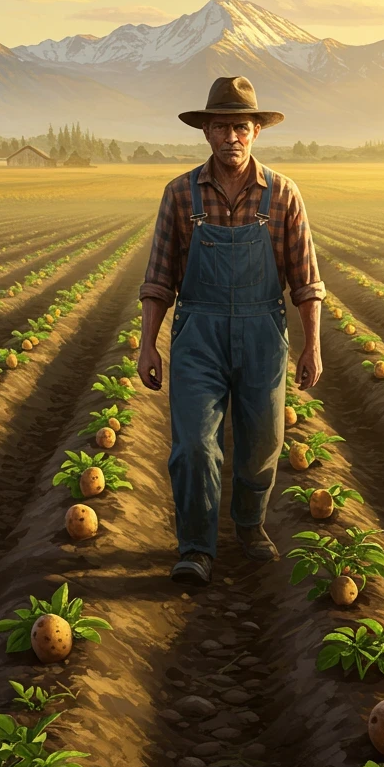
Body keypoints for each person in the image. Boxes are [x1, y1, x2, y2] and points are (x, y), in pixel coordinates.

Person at [137, 76, 325, 586]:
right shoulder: (180, 195)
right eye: (220, 127)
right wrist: (147, 344)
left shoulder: (283, 195)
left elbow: (306, 282)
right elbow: (158, 279)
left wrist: (312, 344)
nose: (231, 138)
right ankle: (196, 546)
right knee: (194, 445)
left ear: (257, 131)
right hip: (199, 334)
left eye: (241, 126)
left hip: (264, 331)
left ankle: (249, 523)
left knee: (263, 440)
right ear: (206, 133)